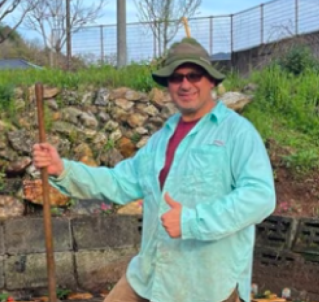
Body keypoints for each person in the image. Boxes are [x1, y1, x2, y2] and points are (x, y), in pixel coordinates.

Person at [32, 37, 276, 302]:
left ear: (211, 81)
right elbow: (119, 182)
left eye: (194, 75)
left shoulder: (237, 132)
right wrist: (62, 169)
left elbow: (260, 196)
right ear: (168, 85)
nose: (185, 84)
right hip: (150, 275)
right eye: (176, 77)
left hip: (205, 284)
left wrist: (191, 221)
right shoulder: (161, 139)